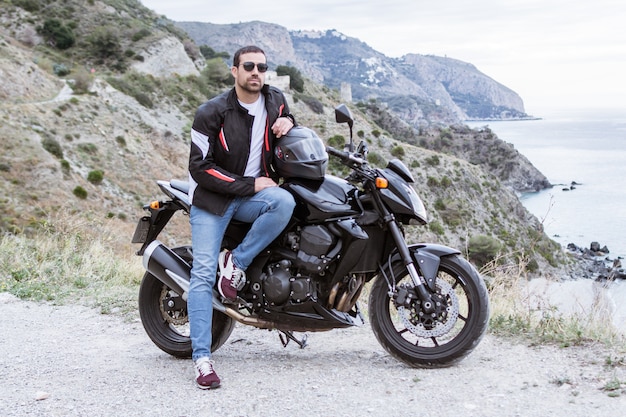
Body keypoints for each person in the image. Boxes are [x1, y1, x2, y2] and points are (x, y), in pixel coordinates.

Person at [186, 45, 297, 389]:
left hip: (252, 197)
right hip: (213, 202)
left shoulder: (274, 99)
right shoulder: (211, 112)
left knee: (285, 202)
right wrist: (249, 184)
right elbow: (199, 168)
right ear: (234, 71)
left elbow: (290, 119)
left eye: (262, 67)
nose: (256, 72)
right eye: (248, 66)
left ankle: (236, 263)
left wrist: (288, 120)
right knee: (203, 273)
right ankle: (202, 359)